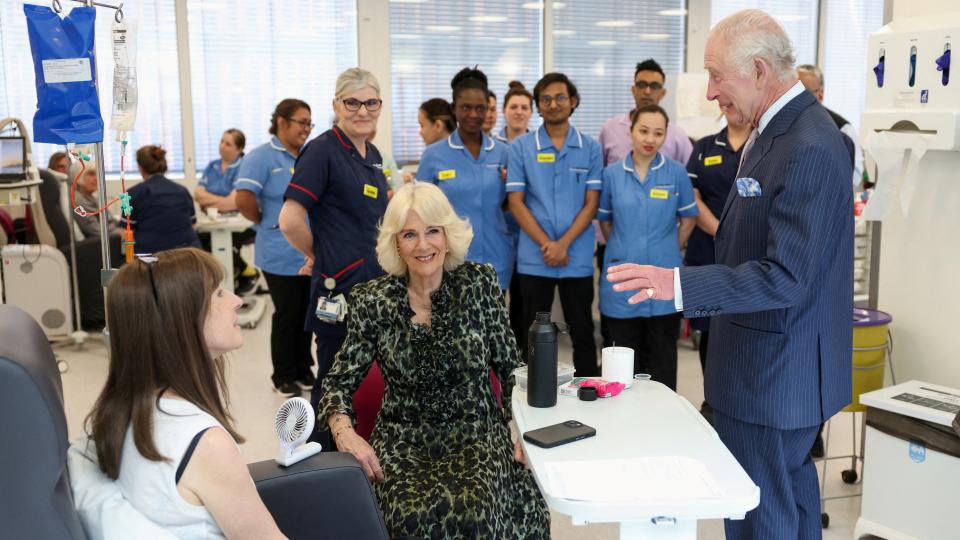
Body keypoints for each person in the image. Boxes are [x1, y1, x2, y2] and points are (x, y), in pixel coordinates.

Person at [606, 10, 853, 538]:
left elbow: (787, 275)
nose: (712, 92)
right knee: (790, 501)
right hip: (767, 367)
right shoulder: (775, 130)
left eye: (718, 76)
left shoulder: (806, 144)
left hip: (774, 375)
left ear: (759, 70)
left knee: (759, 514)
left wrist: (678, 283)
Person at [319, 182, 550, 539]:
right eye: (410, 234)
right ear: (396, 243)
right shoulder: (372, 300)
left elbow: (510, 367)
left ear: (448, 235)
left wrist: (520, 428)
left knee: (474, 510)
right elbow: (337, 382)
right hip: (403, 439)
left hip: (477, 432)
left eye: (432, 232)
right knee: (409, 518)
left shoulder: (480, 284)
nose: (423, 245)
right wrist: (345, 433)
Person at [83, 247, 285, 539]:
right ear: (182, 319)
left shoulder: (123, 410)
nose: (237, 301)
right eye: (218, 293)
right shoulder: (207, 445)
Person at [279, 68, 390, 447]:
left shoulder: (371, 154)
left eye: (370, 102)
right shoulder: (323, 150)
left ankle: (359, 455)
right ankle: (317, 462)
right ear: (337, 105)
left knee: (368, 378)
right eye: (352, 102)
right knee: (333, 381)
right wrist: (319, 253)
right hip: (340, 292)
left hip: (374, 291)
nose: (362, 110)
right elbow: (290, 219)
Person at [506, 72, 601, 376]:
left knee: (582, 331)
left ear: (573, 101)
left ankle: (588, 389)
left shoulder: (590, 148)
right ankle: (534, 392)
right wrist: (548, 244)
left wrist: (564, 244)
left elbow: (592, 203)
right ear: (538, 105)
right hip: (536, 257)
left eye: (560, 97)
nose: (553, 104)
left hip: (576, 256)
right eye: (545, 99)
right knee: (534, 333)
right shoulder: (522, 147)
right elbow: (516, 202)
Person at [597, 104, 698, 391]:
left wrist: (669, 249)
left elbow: (688, 219)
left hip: (665, 277)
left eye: (658, 133)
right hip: (622, 277)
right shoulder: (612, 175)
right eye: (643, 130)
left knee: (663, 361)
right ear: (630, 131)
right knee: (621, 366)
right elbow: (605, 222)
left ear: (667, 136)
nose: (650, 139)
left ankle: (662, 427)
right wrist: (623, 245)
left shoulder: (676, 173)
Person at [236, 99, 315, 398]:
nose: (306, 129)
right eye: (301, 122)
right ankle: (283, 374)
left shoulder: (308, 155)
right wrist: (266, 222)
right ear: (281, 122)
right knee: (287, 314)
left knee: (309, 313)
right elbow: (243, 200)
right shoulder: (262, 157)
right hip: (278, 251)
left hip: (308, 249)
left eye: (310, 123)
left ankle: (304, 367)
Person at [417, 67, 512, 290]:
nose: (473, 114)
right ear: (454, 109)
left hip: (496, 261)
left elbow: (512, 204)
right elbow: (420, 211)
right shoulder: (434, 155)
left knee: (493, 325)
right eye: (466, 108)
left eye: (480, 108)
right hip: (449, 263)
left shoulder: (503, 153)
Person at [684, 108, 752, 421]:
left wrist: (737, 236)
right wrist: (721, 231)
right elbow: (692, 198)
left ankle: (743, 401)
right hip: (706, 251)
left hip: (749, 251)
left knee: (746, 329)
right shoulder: (704, 148)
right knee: (709, 329)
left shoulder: (763, 144)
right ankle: (712, 400)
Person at [495, 80, 534, 351]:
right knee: (495, 302)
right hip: (497, 231)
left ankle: (519, 356)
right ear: (503, 111)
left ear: (531, 112)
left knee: (522, 302)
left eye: (524, 107)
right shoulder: (490, 145)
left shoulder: (537, 145)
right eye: (513, 107)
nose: (519, 112)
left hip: (527, 235)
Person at [598, 59, 693, 167]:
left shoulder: (677, 135)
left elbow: (691, 174)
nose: (647, 91)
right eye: (642, 85)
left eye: (654, 86)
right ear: (633, 90)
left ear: (663, 93)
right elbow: (598, 172)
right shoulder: (609, 129)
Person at [120, 146, 200, 254]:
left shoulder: (130, 195)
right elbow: (193, 226)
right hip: (187, 256)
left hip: (151, 259)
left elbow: (125, 232)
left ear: (141, 168)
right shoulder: (182, 191)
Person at [797, 64, 862, 187]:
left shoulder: (843, 129)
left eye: (804, 92)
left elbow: (855, 176)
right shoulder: (782, 126)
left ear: (820, 94)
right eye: (793, 91)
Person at [195, 129, 245, 212]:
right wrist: (224, 203)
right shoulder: (212, 166)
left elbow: (233, 203)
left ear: (239, 149)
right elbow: (198, 195)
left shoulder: (244, 168)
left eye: (228, 144)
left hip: (236, 221)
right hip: (211, 219)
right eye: (222, 141)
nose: (222, 146)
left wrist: (207, 206)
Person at [72, 164, 117, 239]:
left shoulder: (90, 197)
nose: (96, 178)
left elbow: (111, 219)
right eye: (91, 174)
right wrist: (120, 231)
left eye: (96, 174)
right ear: (77, 176)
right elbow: (97, 231)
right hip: (101, 243)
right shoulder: (79, 201)